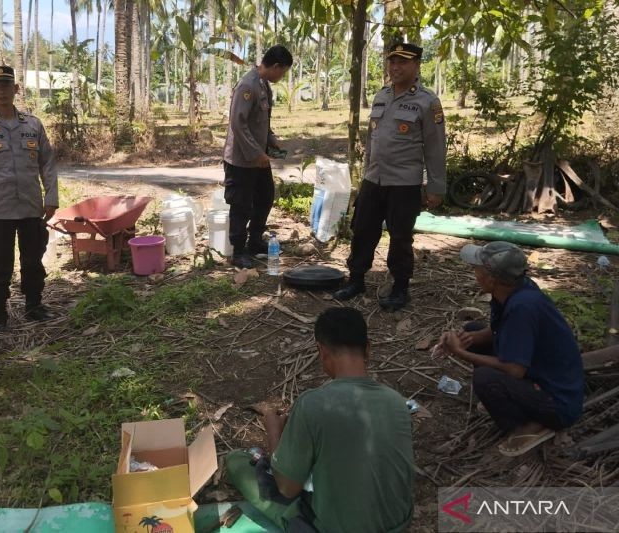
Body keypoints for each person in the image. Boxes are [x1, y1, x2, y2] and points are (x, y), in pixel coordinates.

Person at [225, 307, 415, 532]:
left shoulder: (313, 404)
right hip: (400, 527)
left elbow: (286, 488)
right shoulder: (396, 402)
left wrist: (274, 433)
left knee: (236, 461)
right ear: (369, 349)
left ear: (322, 351)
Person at [437, 241, 584, 457]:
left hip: (558, 403)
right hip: (542, 374)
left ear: (492, 278)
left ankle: (528, 425)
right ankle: (523, 404)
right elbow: (497, 330)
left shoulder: (522, 308)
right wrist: (468, 338)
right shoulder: (515, 289)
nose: (474, 273)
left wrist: (461, 352)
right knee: (473, 330)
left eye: (477, 268)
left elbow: (515, 370)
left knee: (485, 379)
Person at [334, 42, 446, 311]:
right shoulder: (380, 96)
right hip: (374, 179)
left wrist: (436, 186)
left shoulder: (427, 102)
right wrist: (365, 175)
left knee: (400, 237)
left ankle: (400, 287)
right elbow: (373, 141)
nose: (395, 67)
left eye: (403, 62)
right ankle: (356, 279)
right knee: (362, 230)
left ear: (417, 65)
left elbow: (435, 147)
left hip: (404, 183)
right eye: (392, 61)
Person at [0, 65, 59, 333]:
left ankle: (34, 305)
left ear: (16, 89)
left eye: (7, 84)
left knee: (33, 259)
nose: (2, 90)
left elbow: (47, 164)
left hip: (31, 206)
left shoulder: (32, 124)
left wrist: (51, 196)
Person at [223, 45, 293, 269]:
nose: (281, 77)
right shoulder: (248, 85)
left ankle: (254, 241)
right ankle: (238, 250)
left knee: (265, 197)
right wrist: (256, 153)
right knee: (241, 204)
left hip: (259, 158)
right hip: (242, 160)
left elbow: (261, 122)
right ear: (275, 66)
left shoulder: (264, 86)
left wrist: (271, 139)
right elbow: (238, 124)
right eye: (282, 72)